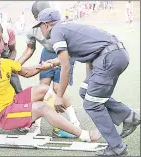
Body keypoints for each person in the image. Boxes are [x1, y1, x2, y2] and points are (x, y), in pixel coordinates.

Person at [33, 8, 140, 156]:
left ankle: (117, 147)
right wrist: (54, 63)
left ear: (45, 24)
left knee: (92, 104)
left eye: (39, 26)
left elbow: (66, 67)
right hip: (116, 54)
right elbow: (78, 54)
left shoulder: (56, 32)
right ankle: (128, 116)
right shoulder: (68, 26)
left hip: (108, 58)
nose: (40, 30)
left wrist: (59, 96)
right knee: (85, 91)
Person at [0, 40, 102, 143]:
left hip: (14, 101)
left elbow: (26, 72)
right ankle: (83, 134)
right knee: (42, 107)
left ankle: (56, 127)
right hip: (4, 115)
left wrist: (47, 66)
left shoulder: (5, 63)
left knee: (45, 89)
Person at [17, 1, 80, 137]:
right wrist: (15, 66)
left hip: (64, 53)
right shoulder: (33, 30)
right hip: (47, 53)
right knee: (42, 88)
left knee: (58, 89)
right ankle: (36, 127)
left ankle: (75, 123)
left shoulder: (61, 25)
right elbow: (29, 49)